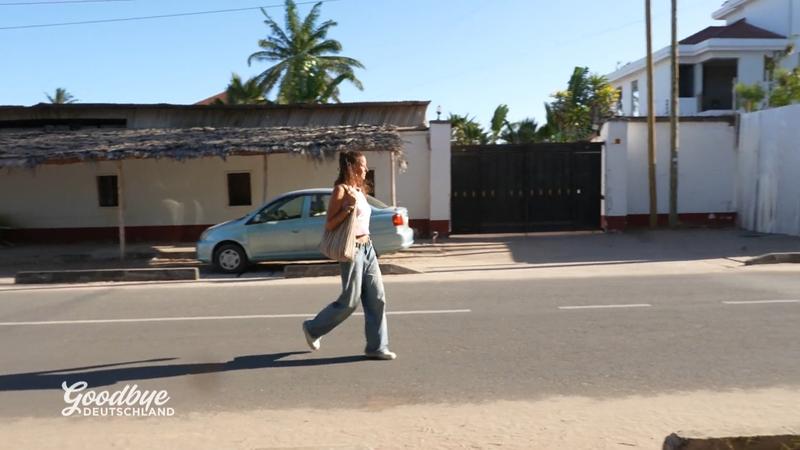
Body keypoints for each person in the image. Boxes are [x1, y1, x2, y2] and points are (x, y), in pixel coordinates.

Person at [302, 151, 397, 360]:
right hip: (352, 250)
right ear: (351, 167)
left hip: (368, 248)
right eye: (362, 166)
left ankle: (377, 347)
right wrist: (347, 209)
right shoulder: (341, 190)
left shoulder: (359, 190)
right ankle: (313, 328)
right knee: (350, 301)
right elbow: (329, 224)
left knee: (377, 298)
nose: (366, 169)